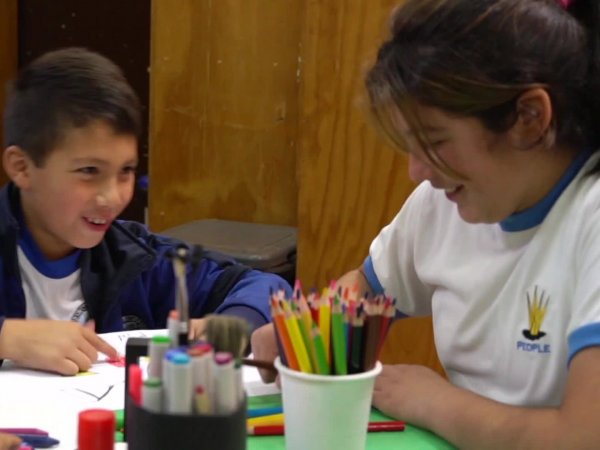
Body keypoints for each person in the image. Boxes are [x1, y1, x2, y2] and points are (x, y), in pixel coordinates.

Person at [252, 0, 600, 447]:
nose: (417, 172)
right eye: (410, 146)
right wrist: (311, 331)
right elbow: (366, 290)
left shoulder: (588, 217)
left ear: (529, 119)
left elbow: (583, 436)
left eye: (435, 142)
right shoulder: (445, 202)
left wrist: (433, 402)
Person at [0, 47, 289, 376]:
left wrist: (231, 326)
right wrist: (7, 336)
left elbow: (266, 286)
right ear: (22, 167)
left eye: (125, 171)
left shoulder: (134, 256)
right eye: (89, 171)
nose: (112, 197)